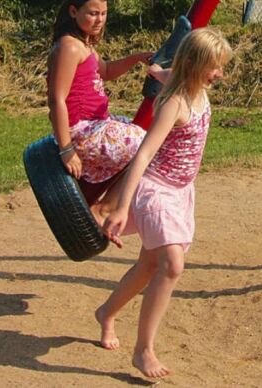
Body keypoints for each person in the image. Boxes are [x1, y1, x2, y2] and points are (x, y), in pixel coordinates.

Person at [94, 27, 233, 381]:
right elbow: (143, 156)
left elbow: (164, 72)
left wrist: (155, 69)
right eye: (215, 67)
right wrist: (122, 207)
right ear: (195, 64)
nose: (220, 74)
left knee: (147, 266)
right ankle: (144, 350)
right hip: (156, 190)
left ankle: (106, 313)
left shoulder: (192, 84)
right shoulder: (175, 102)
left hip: (181, 191)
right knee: (171, 265)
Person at [46, 0, 153, 198]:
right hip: (80, 133)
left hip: (95, 124)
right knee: (146, 145)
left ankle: (112, 203)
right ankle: (108, 209)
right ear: (73, 11)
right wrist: (66, 150)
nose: (100, 20)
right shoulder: (69, 47)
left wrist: (137, 58)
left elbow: (106, 72)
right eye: (93, 13)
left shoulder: (84, 45)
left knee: (147, 138)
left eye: (103, 14)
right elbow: (57, 99)